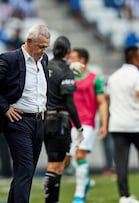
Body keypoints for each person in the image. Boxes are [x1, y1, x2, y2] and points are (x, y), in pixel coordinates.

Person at [0, 24, 50, 203]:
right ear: (29, 41)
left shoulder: (44, 59)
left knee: (26, 171)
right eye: (40, 46)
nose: (43, 50)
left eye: (46, 47)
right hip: (19, 120)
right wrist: (5, 107)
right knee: (25, 170)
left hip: (39, 120)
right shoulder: (11, 59)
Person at [106, 45, 139, 203]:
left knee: (121, 162)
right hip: (136, 124)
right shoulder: (137, 76)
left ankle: (124, 196)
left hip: (117, 124)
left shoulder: (113, 76)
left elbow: (109, 99)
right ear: (136, 59)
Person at [44, 35, 83, 203]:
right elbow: (69, 102)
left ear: (53, 50)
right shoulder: (66, 72)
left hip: (44, 120)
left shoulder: (44, 66)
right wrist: (79, 126)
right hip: (59, 121)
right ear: (68, 52)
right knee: (56, 165)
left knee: (54, 162)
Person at [68, 48, 108, 203]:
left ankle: (78, 196)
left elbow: (102, 103)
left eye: (73, 57)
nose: (70, 60)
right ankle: (85, 183)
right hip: (69, 123)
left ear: (82, 60)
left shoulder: (95, 79)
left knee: (80, 155)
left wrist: (104, 124)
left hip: (87, 123)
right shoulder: (67, 77)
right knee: (68, 160)